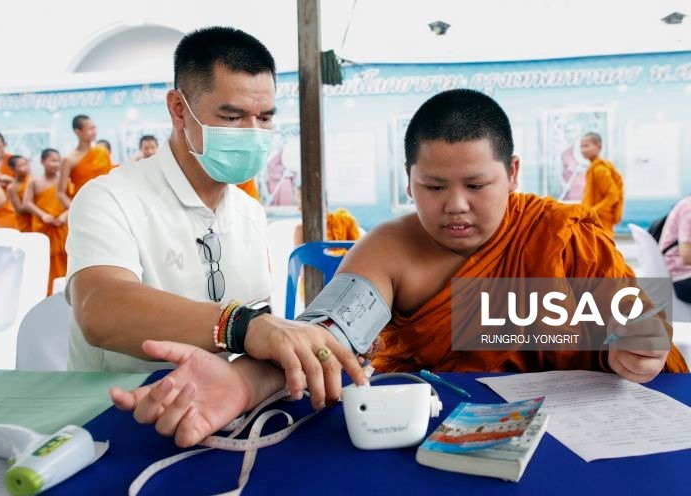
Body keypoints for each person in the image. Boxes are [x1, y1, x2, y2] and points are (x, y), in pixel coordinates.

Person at [110, 89, 687, 448]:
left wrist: (635, 353)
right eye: (433, 186)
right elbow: (329, 335)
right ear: (407, 180)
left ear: (512, 172)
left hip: (578, 440)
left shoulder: (565, 235)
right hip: (431, 444)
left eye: (478, 184)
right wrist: (243, 378)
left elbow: (640, 339)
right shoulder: (392, 249)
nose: (455, 205)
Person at [66, 27, 361, 386]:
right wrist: (239, 325)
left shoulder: (248, 213)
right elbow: (99, 309)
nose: (252, 133)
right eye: (232, 118)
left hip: (222, 408)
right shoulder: (111, 198)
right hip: (121, 409)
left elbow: (258, 331)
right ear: (179, 109)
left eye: (265, 118)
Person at [23, 148, 68, 295]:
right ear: (42, 161)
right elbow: (27, 202)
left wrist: (64, 215)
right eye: (52, 160)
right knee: (44, 261)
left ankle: (66, 290)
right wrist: (42, 215)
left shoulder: (64, 180)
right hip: (43, 227)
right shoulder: (35, 181)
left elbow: (73, 202)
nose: (56, 164)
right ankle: (47, 293)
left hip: (61, 226)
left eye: (58, 161)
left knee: (65, 258)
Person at [57, 115, 115, 207]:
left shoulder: (102, 152)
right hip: (83, 204)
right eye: (90, 129)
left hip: (107, 203)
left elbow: (110, 180)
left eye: (94, 128)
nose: (94, 132)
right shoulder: (69, 159)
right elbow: (60, 193)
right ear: (78, 132)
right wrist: (75, 210)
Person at [580, 132, 624, 238]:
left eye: (586, 146)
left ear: (598, 146)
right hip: (596, 221)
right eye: (581, 147)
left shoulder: (600, 170)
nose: (583, 150)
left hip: (600, 221)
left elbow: (613, 196)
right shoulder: (594, 167)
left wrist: (592, 211)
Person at [6, 155, 33, 232]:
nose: (26, 167)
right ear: (12, 169)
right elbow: (19, 210)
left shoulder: (32, 180)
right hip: (25, 223)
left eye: (26, 164)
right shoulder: (12, 187)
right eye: (21, 165)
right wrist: (35, 206)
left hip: (38, 219)